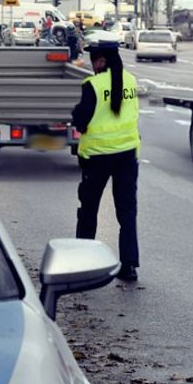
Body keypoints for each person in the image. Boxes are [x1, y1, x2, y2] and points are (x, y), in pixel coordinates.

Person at [71, 40, 140, 282]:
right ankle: (129, 265)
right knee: (127, 211)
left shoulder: (93, 85)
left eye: (93, 61)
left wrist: (75, 116)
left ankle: (82, 263)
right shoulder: (130, 81)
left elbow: (82, 120)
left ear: (100, 61)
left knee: (89, 210)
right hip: (128, 156)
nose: (92, 66)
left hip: (98, 157)